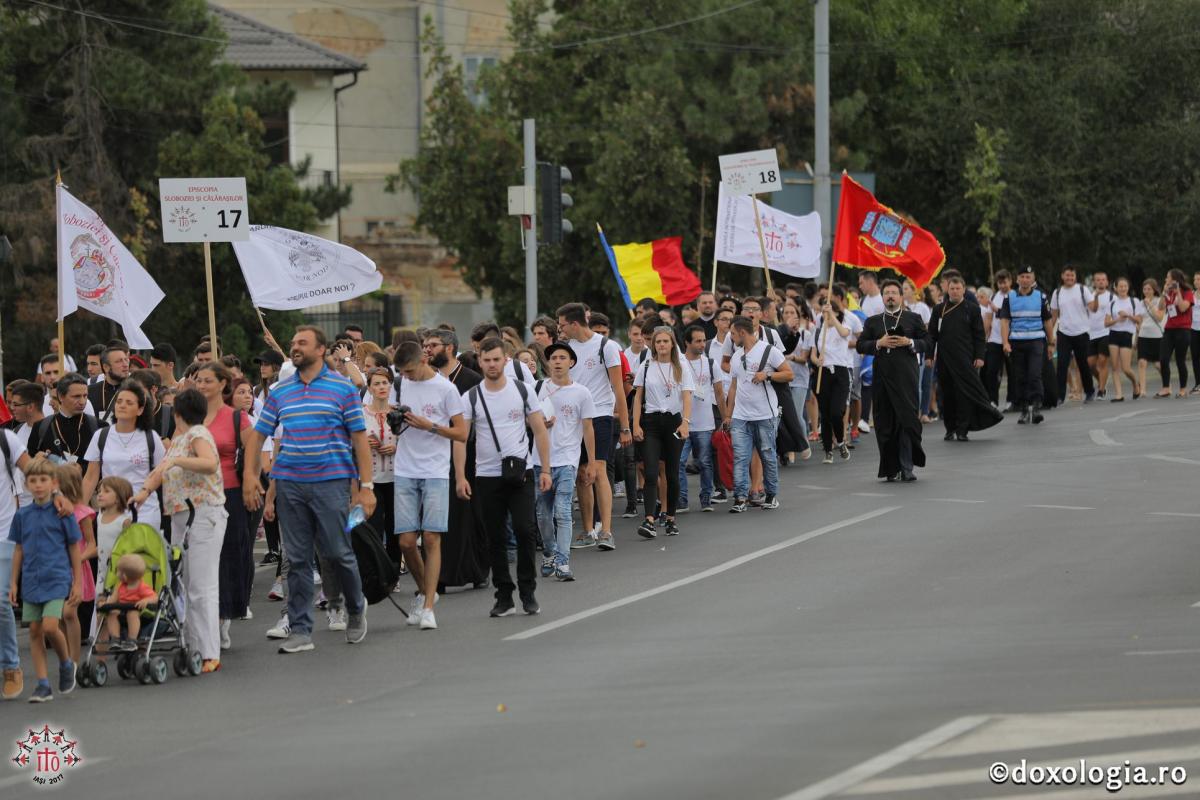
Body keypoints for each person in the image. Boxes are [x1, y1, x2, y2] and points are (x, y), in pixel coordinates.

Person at [243, 325, 374, 653]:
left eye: (302, 343)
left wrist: (366, 487)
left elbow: (359, 440)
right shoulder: (280, 391)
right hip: (290, 486)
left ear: (320, 350)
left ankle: (355, 608)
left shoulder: (342, 388)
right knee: (298, 560)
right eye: (293, 344)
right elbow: (259, 435)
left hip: (332, 484)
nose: (295, 347)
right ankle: (301, 629)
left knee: (338, 552)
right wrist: (250, 475)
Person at [454, 338, 552, 618]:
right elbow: (461, 439)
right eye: (487, 360)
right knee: (494, 537)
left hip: (521, 471)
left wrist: (545, 469)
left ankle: (528, 590)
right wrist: (461, 476)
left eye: (497, 359)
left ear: (505, 360)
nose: (492, 365)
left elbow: (540, 430)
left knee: (524, 530)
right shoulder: (471, 397)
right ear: (480, 360)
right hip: (487, 476)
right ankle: (504, 594)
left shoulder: (522, 390)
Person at [131, 388, 226, 672]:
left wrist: (178, 461)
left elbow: (209, 463)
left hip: (203, 513)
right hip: (181, 516)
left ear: (179, 413)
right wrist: (144, 492)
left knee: (202, 586)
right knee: (185, 585)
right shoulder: (178, 441)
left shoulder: (198, 434)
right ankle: (194, 648)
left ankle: (210, 652)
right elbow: (161, 469)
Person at [390, 341, 468, 631]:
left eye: (409, 370)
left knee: (432, 538)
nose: (406, 376)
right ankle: (426, 591)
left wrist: (430, 426)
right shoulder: (399, 385)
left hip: (435, 469)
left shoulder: (446, 388)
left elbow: (461, 433)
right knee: (406, 542)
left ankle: (428, 608)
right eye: (402, 372)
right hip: (405, 469)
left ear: (423, 359)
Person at [7, 456, 81, 702]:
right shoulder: (22, 516)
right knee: (36, 631)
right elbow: (19, 549)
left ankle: (66, 663)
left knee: (50, 626)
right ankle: (42, 684)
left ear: (54, 483)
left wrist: (77, 582)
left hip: (57, 578)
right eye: (33, 480)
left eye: (43, 480)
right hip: (31, 580)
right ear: (26, 485)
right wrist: (14, 582)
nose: (38, 485)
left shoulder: (63, 513)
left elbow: (73, 548)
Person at [557, 303, 628, 551]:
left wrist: (626, 426)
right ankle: (588, 530)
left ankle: (606, 530)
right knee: (581, 474)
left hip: (600, 416)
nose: (560, 328)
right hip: (574, 419)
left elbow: (618, 387)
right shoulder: (566, 349)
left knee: (598, 470)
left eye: (562, 324)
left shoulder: (606, 346)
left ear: (574, 324)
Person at [192, 362, 252, 647]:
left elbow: (251, 452)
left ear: (222, 384)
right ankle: (205, 617)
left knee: (229, 557)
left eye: (207, 380)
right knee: (201, 560)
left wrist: (253, 481)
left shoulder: (237, 417)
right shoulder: (190, 417)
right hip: (196, 495)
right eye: (198, 380)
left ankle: (223, 616)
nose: (201, 385)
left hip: (230, 492)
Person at [425, 329, 487, 591]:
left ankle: (474, 570)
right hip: (434, 456)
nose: (427, 349)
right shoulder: (428, 381)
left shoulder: (472, 380)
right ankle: (442, 573)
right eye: (425, 345)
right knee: (439, 516)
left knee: (468, 515)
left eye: (432, 345)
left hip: (469, 454)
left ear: (449, 348)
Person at [534, 342, 596, 581]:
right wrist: (539, 423)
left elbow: (588, 428)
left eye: (562, 357)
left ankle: (563, 561)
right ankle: (549, 551)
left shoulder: (582, 392)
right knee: (543, 513)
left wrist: (591, 461)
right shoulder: (536, 388)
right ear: (548, 363)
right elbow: (526, 421)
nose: (558, 361)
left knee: (563, 512)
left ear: (571, 362)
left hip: (568, 459)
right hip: (540, 461)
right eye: (553, 358)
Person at [856, 279, 929, 481]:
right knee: (885, 424)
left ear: (901, 296)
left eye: (894, 293)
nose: (890, 296)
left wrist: (910, 342)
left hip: (907, 377)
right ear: (882, 296)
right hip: (883, 378)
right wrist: (878, 343)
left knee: (906, 421)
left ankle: (907, 467)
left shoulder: (913, 319)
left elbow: (928, 342)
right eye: (887, 292)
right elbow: (860, 345)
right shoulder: (873, 321)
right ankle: (890, 468)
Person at [724, 316, 792, 512]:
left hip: (765, 414)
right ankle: (740, 498)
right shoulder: (736, 356)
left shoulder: (769, 351)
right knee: (740, 457)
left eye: (733, 334)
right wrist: (728, 415)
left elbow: (789, 373)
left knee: (768, 455)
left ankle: (771, 495)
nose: (732, 337)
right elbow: (734, 387)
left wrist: (768, 375)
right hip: (740, 417)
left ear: (742, 333)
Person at [632, 326, 694, 536]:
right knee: (650, 471)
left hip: (674, 422)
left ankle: (670, 518)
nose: (661, 345)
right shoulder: (647, 365)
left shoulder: (681, 367)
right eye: (658, 342)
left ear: (672, 344)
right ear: (653, 345)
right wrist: (635, 424)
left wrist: (685, 422)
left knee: (672, 473)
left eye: (665, 341)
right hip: (651, 421)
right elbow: (638, 396)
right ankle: (649, 519)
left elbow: (687, 396)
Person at [82, 381, 166, 531]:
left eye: (129, 402)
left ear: (140, 409)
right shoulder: (101, 436)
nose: (122, 405)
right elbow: (90, 478)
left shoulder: (151, 437)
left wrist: (145, 492)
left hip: (145, 512)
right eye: (119, 401)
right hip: (110, 513)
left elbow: (160, 473)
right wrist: (79, 511)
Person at [929, 276, 1003, 441]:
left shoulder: (972, 309)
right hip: (944, 359)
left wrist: (980, 356)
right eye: (952, 288)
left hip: (966, 359)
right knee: (946, 395)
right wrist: (928, 355)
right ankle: (950, 428)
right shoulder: (939, 309)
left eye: (958, 288)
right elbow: (932, 335)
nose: (954, 291)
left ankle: (962, 429)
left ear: (964, 290)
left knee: (964, 395)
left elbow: (979, 335)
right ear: (947, 290)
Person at [999, 266, 1055, 424]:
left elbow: (1047, 321)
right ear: (1017, 279)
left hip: (1036, 341)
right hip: (1016, 342)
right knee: (1020, 377)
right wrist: (1005, 342)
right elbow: (1004, 321)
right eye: (1022, 276)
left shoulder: (1041, 297)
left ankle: (1036, 408)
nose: (1025, 279)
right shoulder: (1009, 297)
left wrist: (1051, 343)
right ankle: (1024, 409)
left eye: (1028, 276)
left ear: (1033, 279)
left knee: (1034, 374)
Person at [812, 286, 861, 463]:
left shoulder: (843, 325)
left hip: (840, 372)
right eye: (824, 315)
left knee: (835, 412)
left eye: (828, 314)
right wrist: (817, 360)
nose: (825, 318)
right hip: (823, 372)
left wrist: (832, 314)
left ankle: (840, 441)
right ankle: (828, 450)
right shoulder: (819, 329)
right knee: (825, 414)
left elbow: (844, 333)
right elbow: (813, 352)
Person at [54, 465, 96, 666]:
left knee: (69, 612)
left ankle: (75, 660)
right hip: (57, 568)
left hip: (76, 569)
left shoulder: (82, 513)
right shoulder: (55, 511)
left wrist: (77, 559)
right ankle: (66, 657)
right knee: (58, 617)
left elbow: (92, 545)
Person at [678, 325, 722, 512]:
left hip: (705, 423)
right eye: (697, 341)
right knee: (679, 461)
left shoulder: (711, 364)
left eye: (704, 340)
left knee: (705, 461)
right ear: (687, 342)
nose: (702, 344)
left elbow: (720, 393)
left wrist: (726, 416)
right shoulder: (678, 364)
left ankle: (706, 498)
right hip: (682, 423)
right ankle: (681, 500)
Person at [27, 373, 100, 469]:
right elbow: (30, 468)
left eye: (85, 396)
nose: (82, 401)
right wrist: (37, 461)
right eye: (76, 396)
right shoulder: (40, 427)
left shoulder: (99, 426)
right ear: (61, 397)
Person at [362, 368, 397, 567]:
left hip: (396, 478)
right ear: (370, 388)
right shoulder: (361, 413)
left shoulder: (399, 412)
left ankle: (394, 568)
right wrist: (363, 443)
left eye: (385, 383)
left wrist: (396, 447)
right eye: (376, 384)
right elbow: (350, 441)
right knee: (373, 527)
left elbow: (410, 442)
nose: (381, 387)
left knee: (395, 528)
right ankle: (376, 569)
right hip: (372, 479)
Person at [1050, 266, 1095, 404]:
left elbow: (1093, 307)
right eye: (1067, 275)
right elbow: (1054, 315)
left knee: (1083, 364)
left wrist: (1096, 298)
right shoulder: (1057, 293)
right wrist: (1048, 334)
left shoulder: (1083, 290)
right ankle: (1059, 396)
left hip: (1082, 332)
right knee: (1062, 365)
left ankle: (1089, 391)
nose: (1070, 278)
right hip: (1064, 333)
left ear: (1075, 277)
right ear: (1062, 276)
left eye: (1072, 275)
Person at [98, 554, 157, 653]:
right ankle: (115, 638)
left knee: (132, 613)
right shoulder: (120, 586)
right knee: (112, 612)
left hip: (138, 613)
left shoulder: (141, 587)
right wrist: (105, 604)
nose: (116, 573)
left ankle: (132, 640)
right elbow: (113, 599)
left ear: (124, 576)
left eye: (118, 571)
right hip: (121, 611)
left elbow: (155, 597)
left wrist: (145, 601)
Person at [1104, 278, 1143, 402]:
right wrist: (1117, 320)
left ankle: (1135, 383)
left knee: (1126, 368)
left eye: (1125, 286)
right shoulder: (1112, 303)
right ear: (1115, 288)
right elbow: (1106, 323)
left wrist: (1127, 315)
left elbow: (1139, 320)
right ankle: (1119, 395)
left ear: (1128, 287)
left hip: (1127, 334)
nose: (1123, 288)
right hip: (1114, 334)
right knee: (1114, 367)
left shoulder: (1134, 301)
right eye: (1120, 286)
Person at [1157, 269, 1193, 398]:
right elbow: (1160, 307)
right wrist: (1164, 293)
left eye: (1167, 277)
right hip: (1169, 329)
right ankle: (1166, 388)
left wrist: (1178, 292)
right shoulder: (1169, 293)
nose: (1166, 279)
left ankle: (1183, 389)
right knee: (1163, 358)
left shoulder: (1187, 292)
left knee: (1180, 360)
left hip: (1183, 330)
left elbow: (1183, 307)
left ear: (1174, 280)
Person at [88, 344, 131, 423]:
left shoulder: (135, 391)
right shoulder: (89, 392)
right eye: (119, 361)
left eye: (126, 360)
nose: (125, 365)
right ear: (106, 367)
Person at [1138, 279, 1165, 397]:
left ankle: (1166, 384)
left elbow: (1159, 317)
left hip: (1156, 336)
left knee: (1158, 365)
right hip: (1143, 336)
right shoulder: (1140, 303)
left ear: (1154, 290)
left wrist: (1149, 304)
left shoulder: (1160, 301)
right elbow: (1139, 320)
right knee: (1142, 363)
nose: (1146, 291)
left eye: (1149, 289)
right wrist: (1136, 336)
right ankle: (1142, 390)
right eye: (1144, 289)